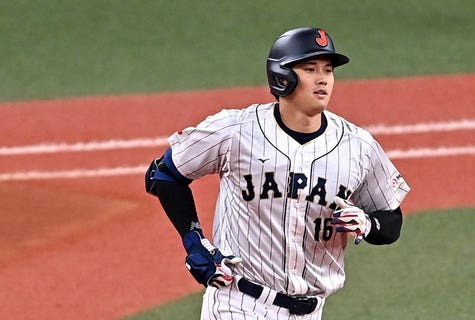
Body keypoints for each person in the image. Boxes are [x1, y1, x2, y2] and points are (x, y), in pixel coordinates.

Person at [145, 27, 410, 319]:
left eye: (328, 70)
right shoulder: (236, 131)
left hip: (311, 311)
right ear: (281, 77)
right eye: (310, 69)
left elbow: (391, 220)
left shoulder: (357, 146)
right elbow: (164, 174)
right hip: (238, 304)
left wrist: (368, 224)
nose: (323, 78)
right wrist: (194, 241)